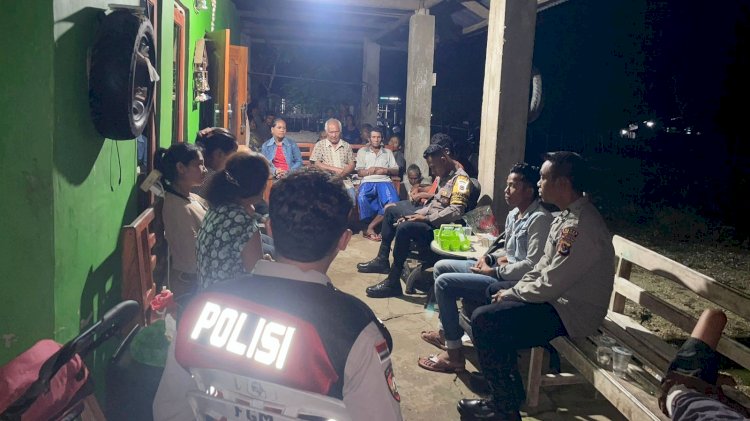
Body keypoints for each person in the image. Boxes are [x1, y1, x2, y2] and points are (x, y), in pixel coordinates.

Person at [153, 168, 403, 421]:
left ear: (270, 228)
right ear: (344, 240)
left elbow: (168, 410)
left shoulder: (202, 307)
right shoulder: (355, 328)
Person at [457, 151, 615, 421]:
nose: (538, 183)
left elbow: (552, 282)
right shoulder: (565, 216)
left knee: (485, 320)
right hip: (559, 300)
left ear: (562, 183)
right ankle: (507, 385)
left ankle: (504, 408)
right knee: (492, 293)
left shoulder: (578, 226)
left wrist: (514, 292)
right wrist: (512, 291)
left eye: (543, 178)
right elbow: (542, 266)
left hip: (573, 314)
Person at [417, 162, 553, 373]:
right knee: (441, 267)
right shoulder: (514, 214)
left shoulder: (540, 219)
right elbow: (507, 249)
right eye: (507, 185)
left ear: (528, 191)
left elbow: (531, 266)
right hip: (499, 270)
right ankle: (447, 334)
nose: (506, 190)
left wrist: (494, 270)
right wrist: (489, 258)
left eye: (513, 186)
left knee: (444, 283)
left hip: (512, 281)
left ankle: (454, 355)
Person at [358, 140, 473, 299]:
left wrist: (425, 218)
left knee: (405, 227)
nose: (432, 171)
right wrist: (414, 215)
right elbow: (434, 203)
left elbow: (456, 211)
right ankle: (382, 260)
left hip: (442, 229)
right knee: (392, 211)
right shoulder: (445, 176)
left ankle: (393, 281)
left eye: (433, 167)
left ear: (443, 159)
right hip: (430, 219)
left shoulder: (461, 180)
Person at [196, 152, 271, 289]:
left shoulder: (217, 208)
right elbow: (258, 277)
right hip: (232, 298)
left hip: (207, 293)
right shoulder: (244, 223)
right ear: (257, 187)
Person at [659, 309, 750, 420]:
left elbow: (690, 408)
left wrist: (678, 392)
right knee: (714, 317)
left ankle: (709, 383)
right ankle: (711, 383)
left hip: (683, 391)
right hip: (694, 396)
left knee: (714, 316)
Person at [154, 143, 208, 299]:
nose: (205, 170)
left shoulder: (191, 197)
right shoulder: (178, 208)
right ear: (181, 168)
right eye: (199, 164)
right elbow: (190, 260)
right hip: (190, 286)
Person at [355, 127, 400, 241]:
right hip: (368, 181)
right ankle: (367, 226)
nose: (376, 139)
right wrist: (369, 170)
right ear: (369, 139)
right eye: (373, 137)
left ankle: (371, 227)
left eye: (378, 137)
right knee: (362, 197)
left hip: (384, 181)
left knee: (393, 202)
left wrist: (384, 170)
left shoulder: (387, 152)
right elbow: (359, 172)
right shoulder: (362, 151)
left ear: (382, 138)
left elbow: (396, 170)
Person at [310, 118, 356, 200]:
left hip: (344, 181)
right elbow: (316, 164)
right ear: (326, 132)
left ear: (340, 132)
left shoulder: (346, 145)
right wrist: (336, 170)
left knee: (352, 198)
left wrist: (341, 175)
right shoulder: (320, 145)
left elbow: (352, 164)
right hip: (326, 180)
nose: (334, 135)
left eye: (336, 132)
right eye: (331, 132)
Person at [193, 127, 238, 198]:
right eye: (231, 157)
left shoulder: (188, 172)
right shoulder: (217, 182)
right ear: (219, 154)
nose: (232, 163)